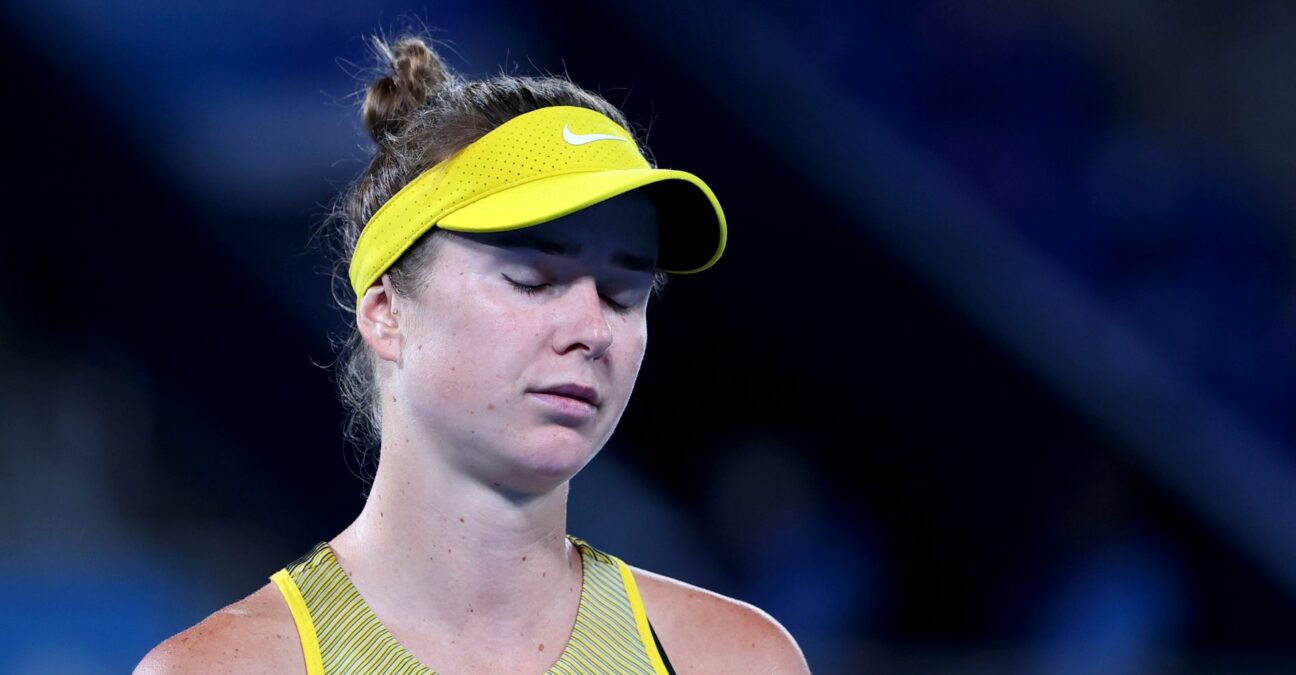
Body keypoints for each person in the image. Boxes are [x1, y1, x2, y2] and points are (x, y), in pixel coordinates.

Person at [135, 31, 810, 675]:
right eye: (533, 279)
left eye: (622, 292)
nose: (591, 328)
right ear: (386, 312)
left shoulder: (736, 660)